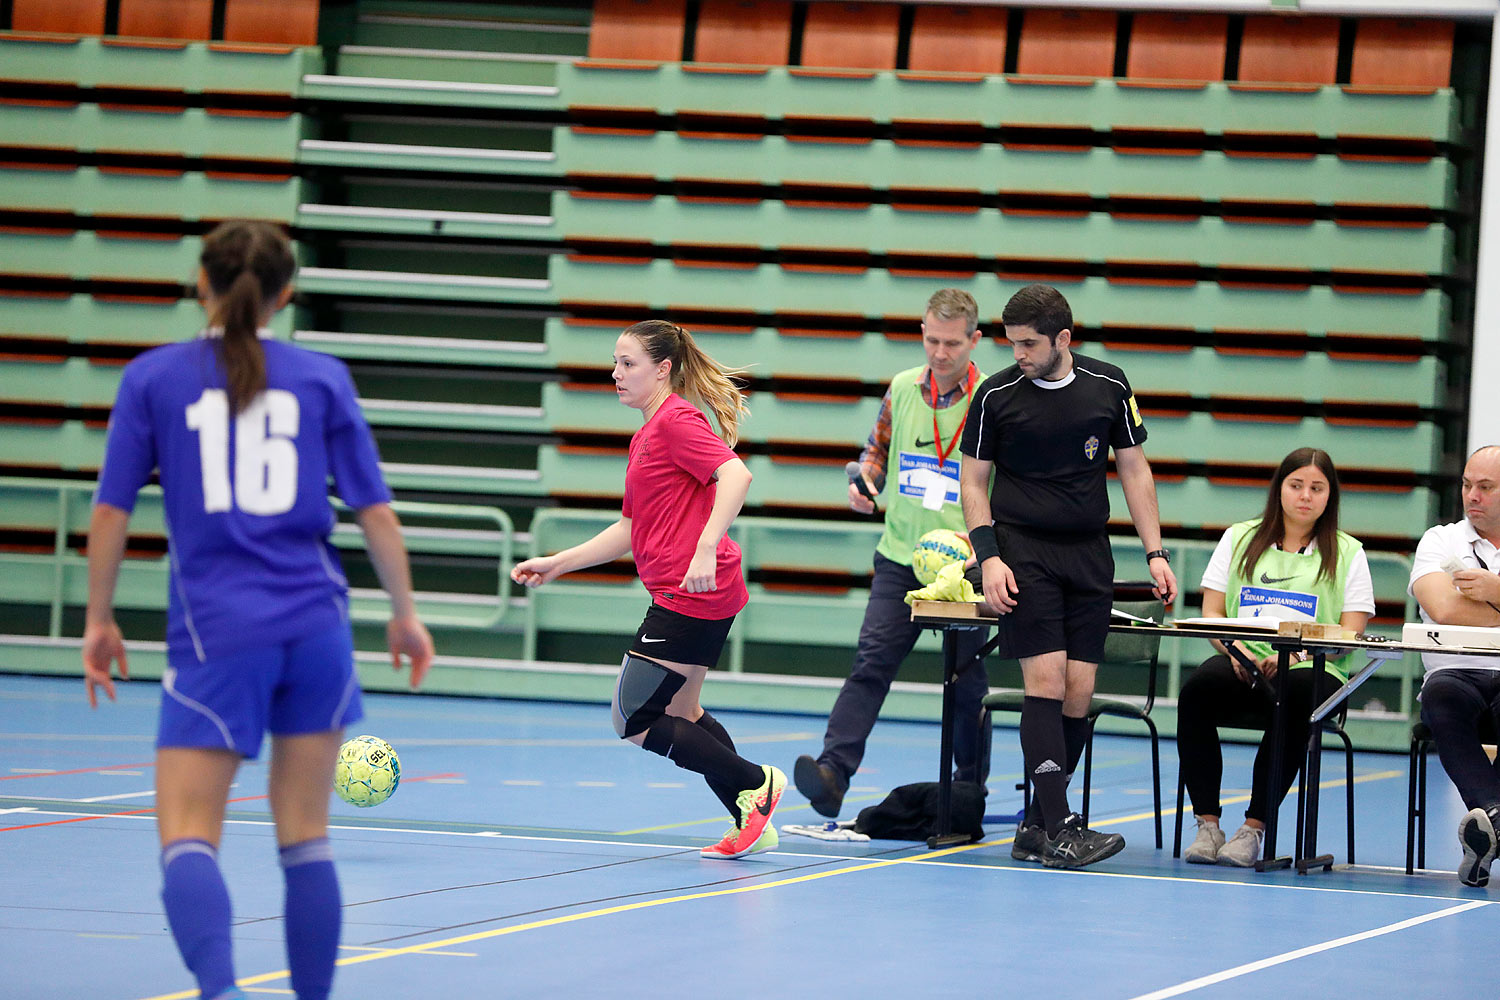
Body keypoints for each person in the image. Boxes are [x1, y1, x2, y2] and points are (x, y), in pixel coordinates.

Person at [82, 220, 435, 1000]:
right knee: (307, 841)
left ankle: (221, 990)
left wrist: (98, 619)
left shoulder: (154, 377)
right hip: (316, 626)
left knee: (186, 835)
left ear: (200, 282)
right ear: (288, 293)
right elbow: (375, 512)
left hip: (218, 633)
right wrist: (405, 613)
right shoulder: (322, 377)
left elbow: (110, 513)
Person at [510, 320, 785, 859]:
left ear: (663, 369)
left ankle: (758, 783)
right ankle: (750, 818)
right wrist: (559, 564)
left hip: (692, 592)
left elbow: (736, 477)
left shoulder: (675, 422)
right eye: (615, 363)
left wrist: (706, 545)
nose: (617, 373)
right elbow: (630, 528)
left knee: (632, 718)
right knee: (683, 713)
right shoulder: (648, 433)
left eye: (629, 363)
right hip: (699, 591)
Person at [958, 282, 1177, 870]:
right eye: (1012, 344)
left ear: (1064, 339)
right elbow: (973, 483)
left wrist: (1154, 552)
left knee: (1079, 693)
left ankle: (1034, 824)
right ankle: (1059, 827)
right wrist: (990, 557)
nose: (1018, 354)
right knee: (1047, 682)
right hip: (1022, 551)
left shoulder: (1110, 385)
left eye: (1029, 344)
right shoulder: (994, 395)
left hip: (1089, 553)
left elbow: (1133, 469)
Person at [794, 289, 992, 817]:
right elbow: (876, 451)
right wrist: (865, 484)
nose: (940, 353)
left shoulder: (992, 398)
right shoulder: (903, 388)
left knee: (967, 683)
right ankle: (833, 774)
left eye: (952, 343)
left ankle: (969, 788)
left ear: (974, 340)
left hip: (965, 567)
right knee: (870, 664)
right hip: (902, 557)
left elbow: (1008, 481)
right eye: (931, 340)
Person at [1177, 448, 1373, 868]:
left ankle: (1253, 828)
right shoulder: (1239, 537)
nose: (1306, 496)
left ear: (1329, 496)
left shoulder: (1349, 552)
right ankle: (1207, 825)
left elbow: (1351, 633)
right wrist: (1237, 650)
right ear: (1279, 489)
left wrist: (1300, 651)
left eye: (1317, 488)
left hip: (1313, 668)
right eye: (1296, 485)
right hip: (1244, 662)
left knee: (1296, 693)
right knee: (1196, 691)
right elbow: (1212, 613)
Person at [1409, 444, 1500, 887]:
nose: (1472, 496)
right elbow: (1444, 610)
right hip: (1455, 673)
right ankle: (1496, 818)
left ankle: (1489, 830)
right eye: (1467, 485)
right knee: (1443, 697)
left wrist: (1493, 589)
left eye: (1486, 487)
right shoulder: (1441, 540)